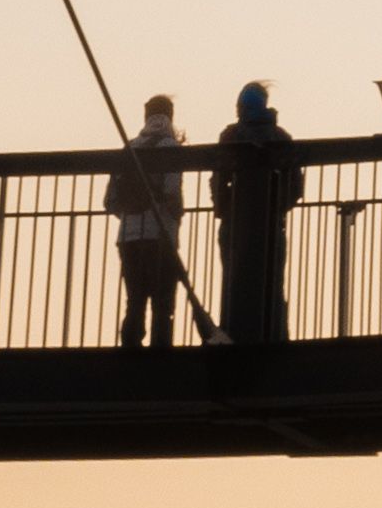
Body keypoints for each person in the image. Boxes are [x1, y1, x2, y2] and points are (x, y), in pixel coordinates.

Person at [212, 79, 302, 360]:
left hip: (235, 227)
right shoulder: (281, 137)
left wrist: (225, 210)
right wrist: (277, 209)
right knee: (273, 285)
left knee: (232, 284)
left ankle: (231, 340)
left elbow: (218, 180)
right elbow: (295, 186)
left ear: (241, 106)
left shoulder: (230, 137)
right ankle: (275, 339)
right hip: (271, 226)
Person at [108, 91, 196, 350]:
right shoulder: (170, 148)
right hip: (161, 237)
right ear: (170, 116)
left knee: (134, 299)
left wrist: (131, 215)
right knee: (163, 300)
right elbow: (171, 192)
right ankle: (160, 353)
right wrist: (176, 213)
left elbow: (110, 201)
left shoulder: (130, 148)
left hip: (128, 238)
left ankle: (130, 349)